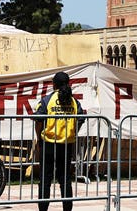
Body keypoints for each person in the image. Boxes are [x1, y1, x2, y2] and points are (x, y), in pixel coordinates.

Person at [33, 72, 84, 211]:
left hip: (48, 144)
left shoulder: (47, 100)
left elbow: (38, 120)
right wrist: (72, 133)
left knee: (45, 180)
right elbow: (81, 118)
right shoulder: (74, 102)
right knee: (65, 180)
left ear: (54, 84)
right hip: (66, 145)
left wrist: (38, 139)